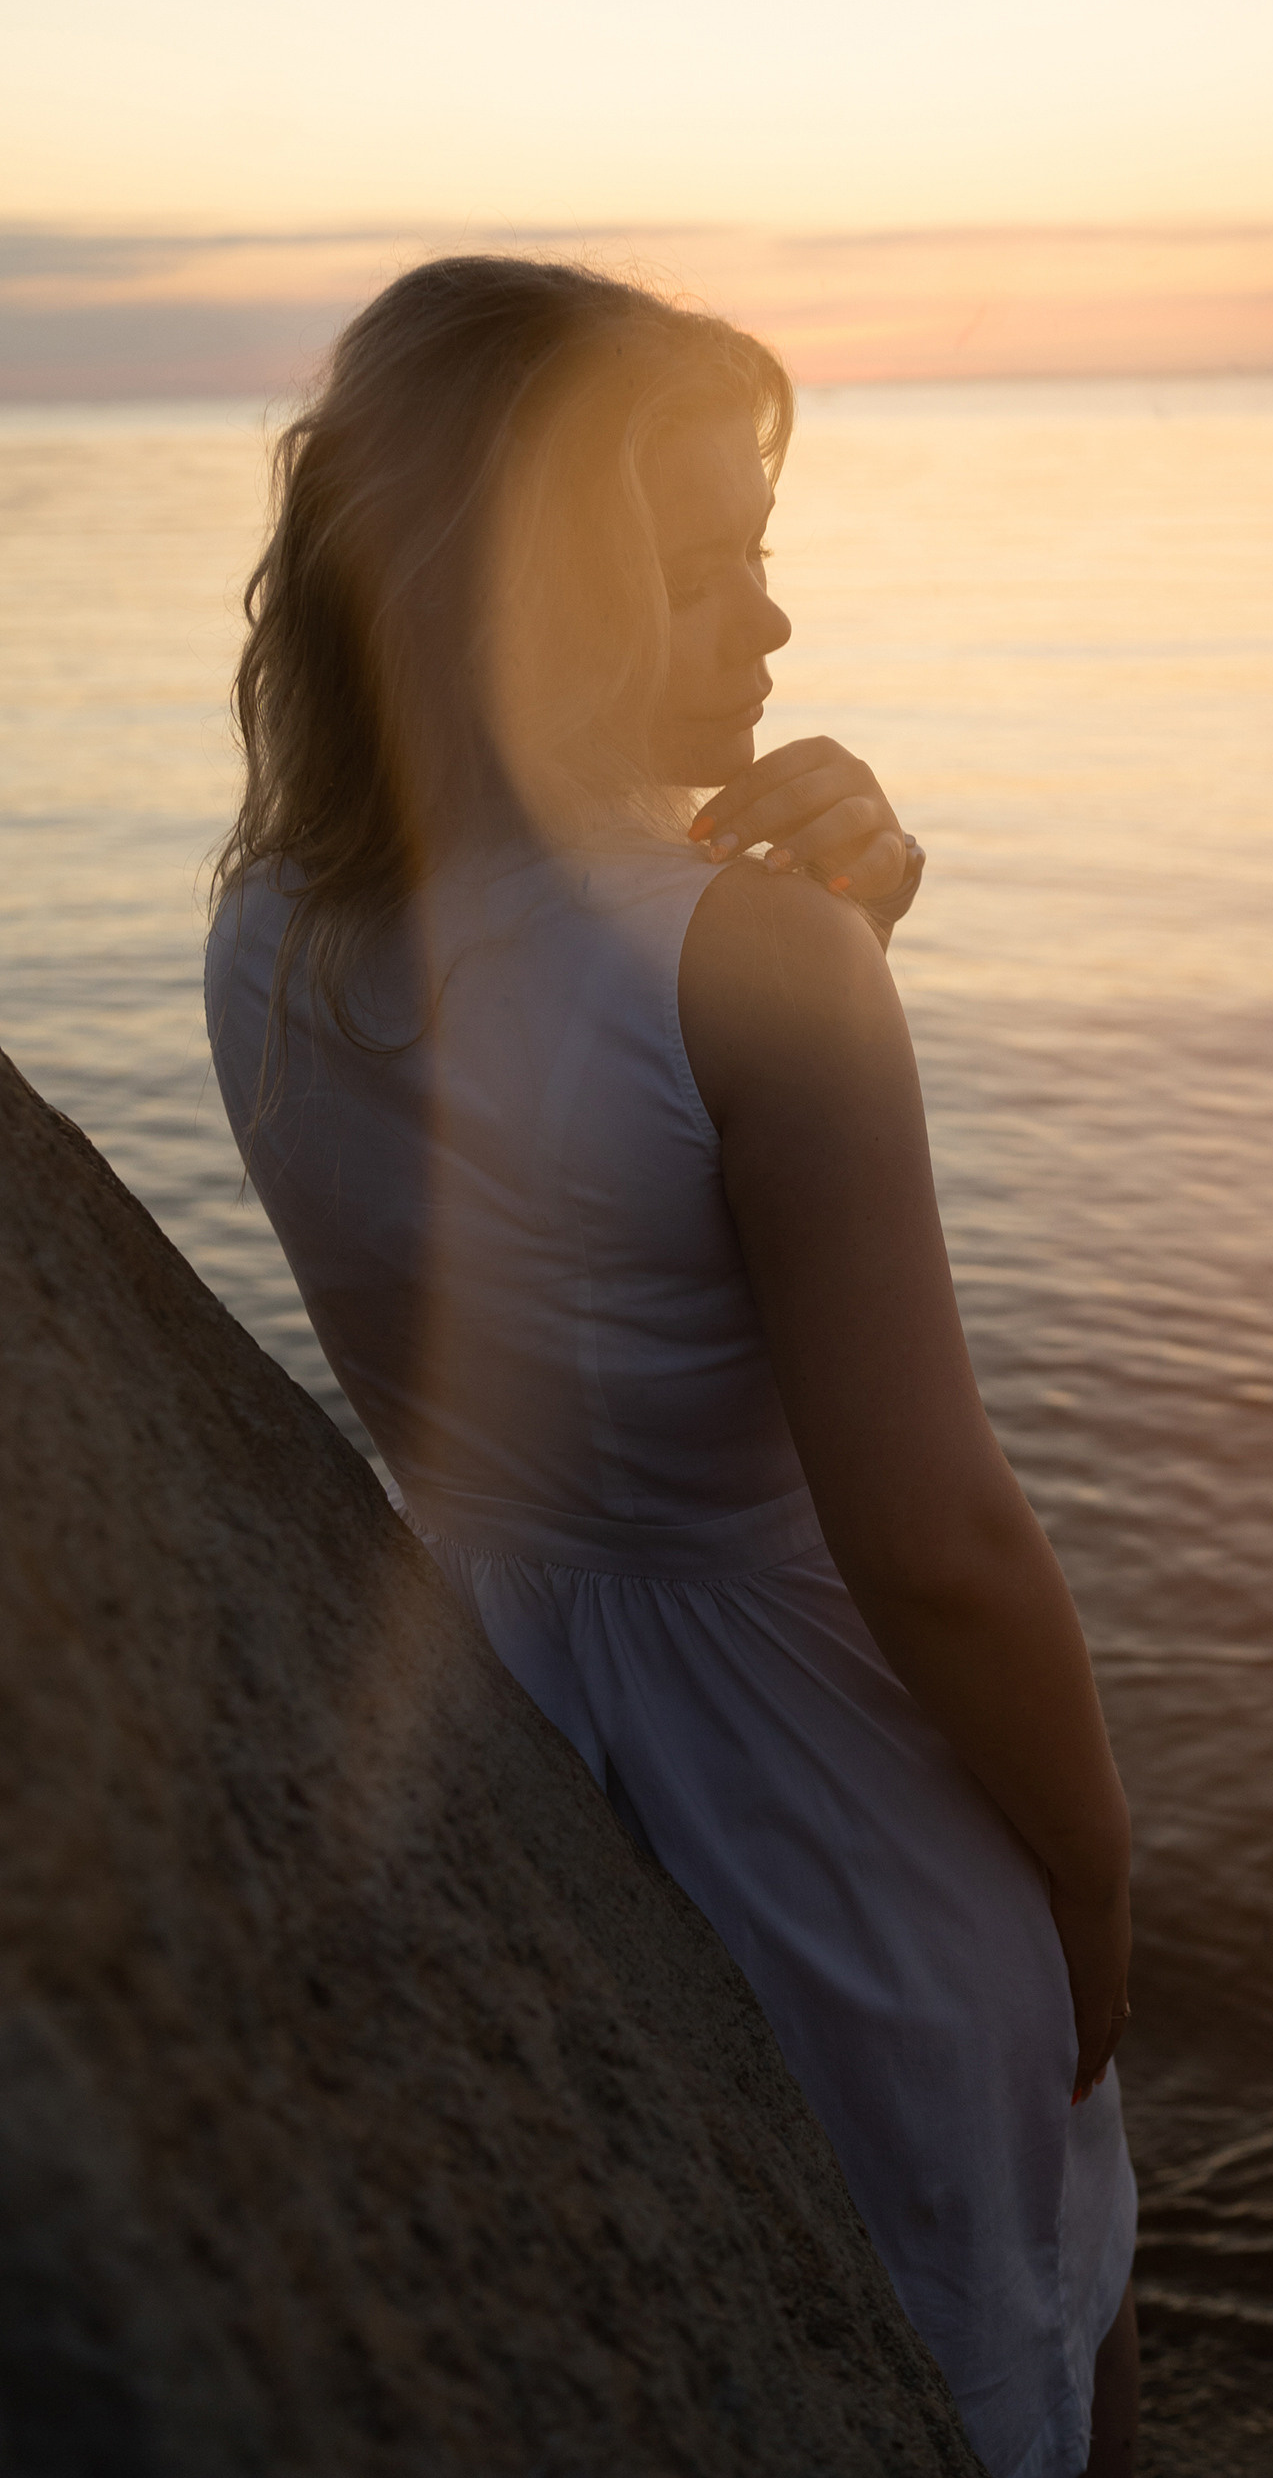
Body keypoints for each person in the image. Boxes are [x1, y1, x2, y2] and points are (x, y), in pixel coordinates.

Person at [205, 256, 1139, 2478]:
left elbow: (562, 1215)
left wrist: (824, 946)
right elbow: (939, 1549)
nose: (775, 629)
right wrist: (1093, 1871)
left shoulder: (266, 923)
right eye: (706, 570)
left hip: (513, 1744)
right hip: (828, 1810)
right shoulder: (754, 966)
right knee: (1010, 2358)